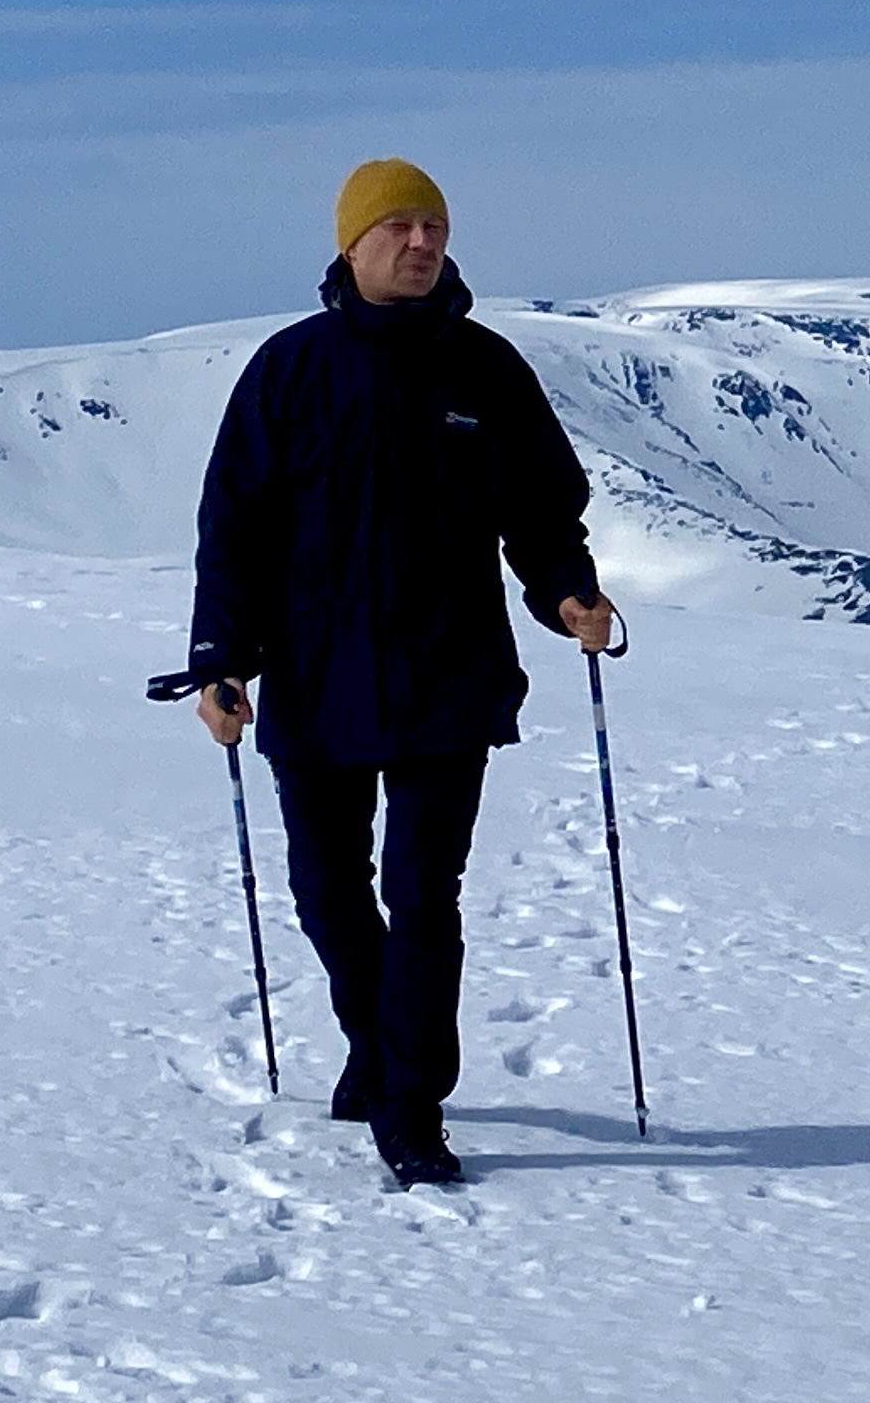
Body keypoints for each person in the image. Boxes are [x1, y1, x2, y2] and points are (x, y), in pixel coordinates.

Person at [183, 158, 616, 1189]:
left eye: (435, 228)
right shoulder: (291, 370)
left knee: (424, 897)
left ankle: (410, 1104)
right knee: (327, 893)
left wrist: (568, 592)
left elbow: (540, 509)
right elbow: (236, 528)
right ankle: (377, 1045)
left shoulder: (485, 368)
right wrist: (220, 658)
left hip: (448, 674)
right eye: (399, 228)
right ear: (352, 245)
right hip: (315, 674)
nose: (421, 244)